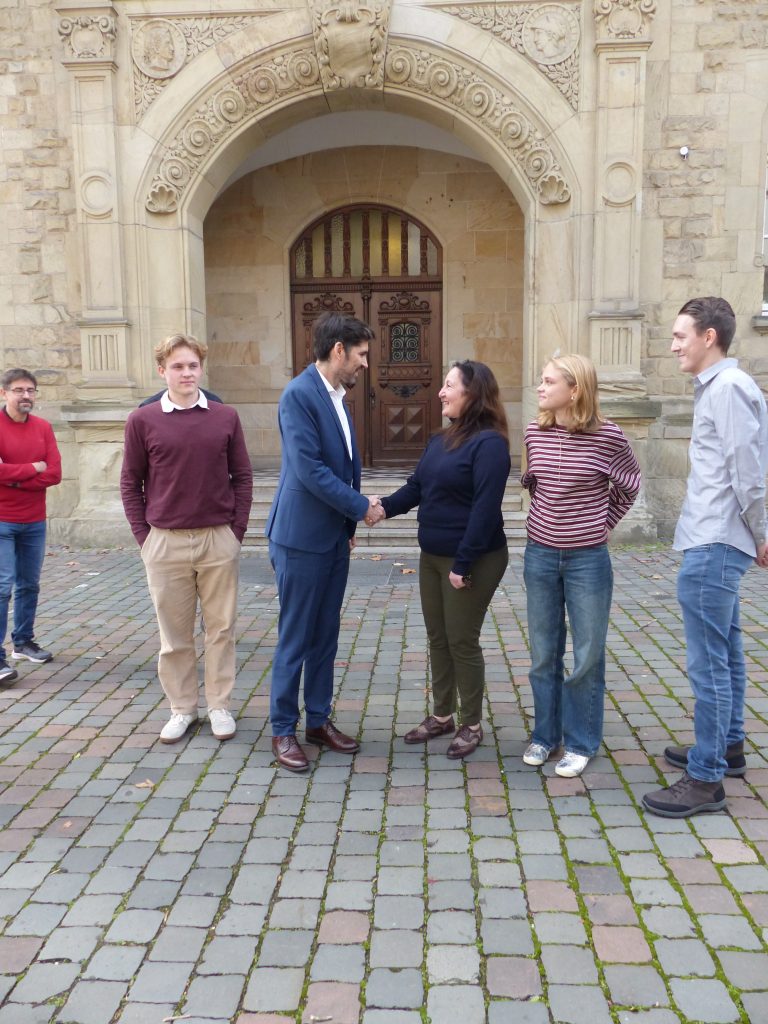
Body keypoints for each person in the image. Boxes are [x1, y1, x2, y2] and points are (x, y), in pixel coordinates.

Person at [643, 297, 768, 818]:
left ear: (709, 336)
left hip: (717, 542)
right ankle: (728, 746)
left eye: (680, 336)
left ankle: (706, 778)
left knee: (708, 662)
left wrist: (762, 532)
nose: (673, 345)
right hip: (715, 538)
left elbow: (749, 470)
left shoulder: (730, 389)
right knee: (726, 648)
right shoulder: (721, 389)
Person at [120, 334, 253, 743]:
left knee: (221, 630)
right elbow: (131, 481)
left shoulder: (224, 416)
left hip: (217, 539)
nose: (186, 373)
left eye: (192, 365)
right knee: (174, 636)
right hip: (165, 542)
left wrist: (236, 531)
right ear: (162, 371)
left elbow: (243, 476)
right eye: (178, 366)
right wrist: (145, 537)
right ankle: (182, 708)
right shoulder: (142, 421)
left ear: (201, 369)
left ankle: (219, 706)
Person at [266, 312, 384, 772]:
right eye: (361, 355)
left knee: (325, 636)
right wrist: (361, 506)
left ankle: (317, 720)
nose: (365, 364)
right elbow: (310, 470)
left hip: (333, 537)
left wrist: (348, 526)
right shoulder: (299, 395)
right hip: (299, 538)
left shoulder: (337, 396)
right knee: (296, 636)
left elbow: (342, 465)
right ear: (339, 351)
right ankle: (282, 729)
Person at [378, 360, 511, 759]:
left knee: (461, 639)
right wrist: (379, 509)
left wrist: (463, 564)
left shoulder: (490, 444)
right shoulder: (440, 440)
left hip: (472, 559)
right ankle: (442, 716)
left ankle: (471, 723)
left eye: (449, 384)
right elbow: (416, 488)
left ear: (473, 393)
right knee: (438, 637)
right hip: (432, 555)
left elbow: (485, 511)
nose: (441, 391)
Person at [521, 353, 641, 778]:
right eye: (541, 379)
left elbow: (629, 486)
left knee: (587, 654)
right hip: (538, 554)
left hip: (587, 560)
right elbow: (533, 482)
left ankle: (581, 742)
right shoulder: (535, 431)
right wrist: (546, 522)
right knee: (542, 653)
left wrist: (599, 523)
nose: (540, 387)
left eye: (548, 381)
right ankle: (545, 735)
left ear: (575, 389)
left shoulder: (609, 437)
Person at [0, 369, 62, 684]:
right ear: (4, 393)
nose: (26, 395)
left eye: (31, 390)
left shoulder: (43, 428)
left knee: (29, 585)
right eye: (18, 390)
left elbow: (54, 473)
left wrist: (11, 475)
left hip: (34, 521)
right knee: (2, 586)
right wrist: (30, 470)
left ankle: (23, 643)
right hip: (2, 520)